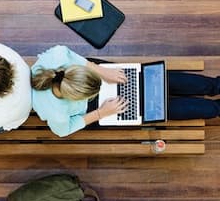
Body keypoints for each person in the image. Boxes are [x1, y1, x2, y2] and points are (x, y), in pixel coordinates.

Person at [31, 45, 220, 137]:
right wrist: (100, 112)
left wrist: (100, 70)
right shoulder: (56, 114)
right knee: (156, 109)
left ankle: (216, 86)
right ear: (75, 98)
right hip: (97, 109)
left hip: (98, 74)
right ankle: (216, 108)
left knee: (157, 80)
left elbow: (76, 58)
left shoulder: (57, 57)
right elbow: (64, 130)